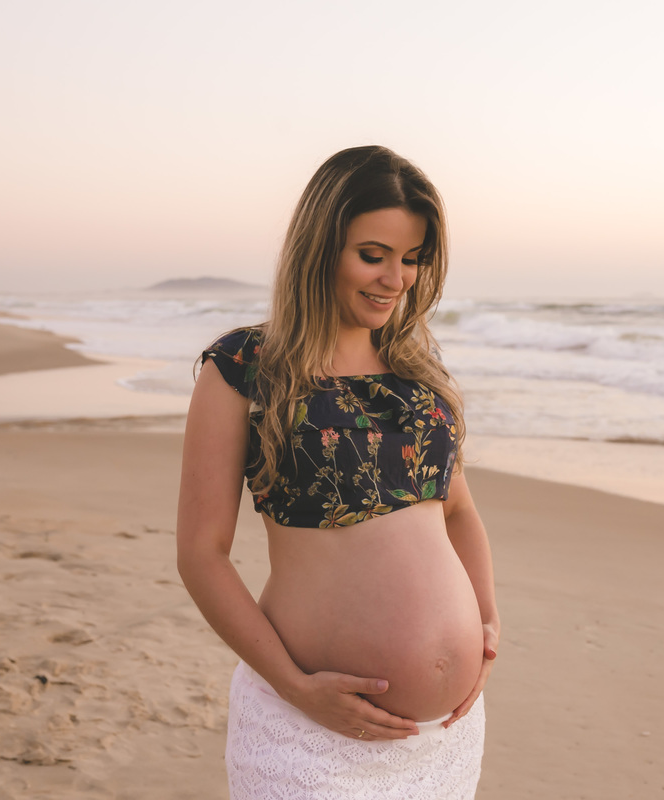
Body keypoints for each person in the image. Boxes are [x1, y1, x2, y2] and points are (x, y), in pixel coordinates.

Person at [176, 145, 499, 799]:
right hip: (312, 732)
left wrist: (485, 630)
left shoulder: (416, 372)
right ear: (320, 247)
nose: (396, 279)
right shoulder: (245, 368)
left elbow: (457, 511)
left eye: (412, 260)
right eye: (373, 255)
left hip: (446, 739)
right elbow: (201, 555)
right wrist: (297, 689)